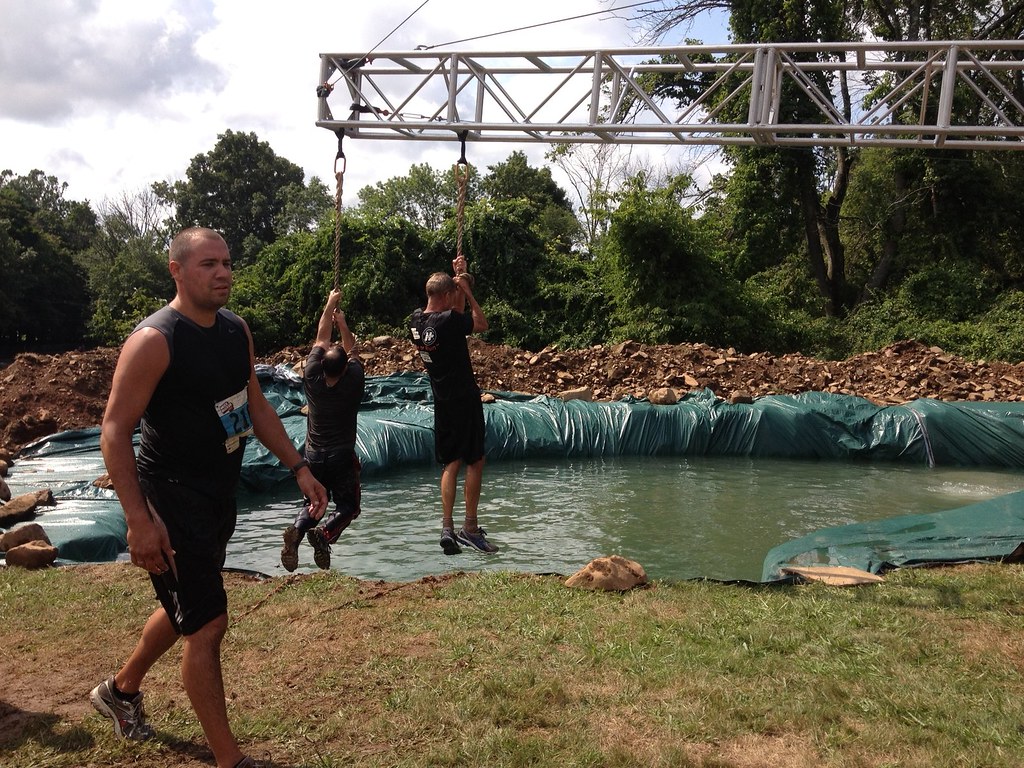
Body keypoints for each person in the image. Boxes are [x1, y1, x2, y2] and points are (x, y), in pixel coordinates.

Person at [91, 227, 327, 768]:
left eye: (226, 262)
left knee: (185, 608)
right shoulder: (155, 340)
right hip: (168, 498)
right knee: (207, 623)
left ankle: (120, 691)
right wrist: (138, 520)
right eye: (207, 264)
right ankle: (231, 761)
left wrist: (299, 467)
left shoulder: (234, 331)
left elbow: (255, 406)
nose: (222, 273)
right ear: (176, 271)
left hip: (218, 491)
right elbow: (113, 429)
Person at [409, 253, 497, 554]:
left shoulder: (416, 322)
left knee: (451, 463)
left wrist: (459, 276)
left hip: (442, 400)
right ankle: (470, 527)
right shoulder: (449, 320)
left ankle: (447, 526)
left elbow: (455, 317)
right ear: (446, 295)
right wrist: (468, 290)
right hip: (465, 398)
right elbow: (479, 323)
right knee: (475, 460)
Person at [280, 288, 365, 572]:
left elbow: (320, 337)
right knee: (349, 507)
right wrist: (343, 323)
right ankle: (325, 534)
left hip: (313, 455)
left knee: (316, 501)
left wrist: (329, 304)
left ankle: (298, 529)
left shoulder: (312, 376)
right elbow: (352, 350)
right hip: (341, 455)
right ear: (343, 369)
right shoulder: (352, 380)